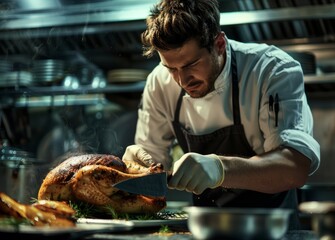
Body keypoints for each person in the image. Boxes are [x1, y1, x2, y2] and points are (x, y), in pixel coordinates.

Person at [123, 0, 320, 229]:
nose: (182, 80)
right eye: (171, 69)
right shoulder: (159, 83)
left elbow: (294, 168)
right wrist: (140, 167)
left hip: (273, 230)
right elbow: (151, 166)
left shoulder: (271, 69)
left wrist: (220, 169)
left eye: (192, 64)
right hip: (207, 229)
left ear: (219, 44)